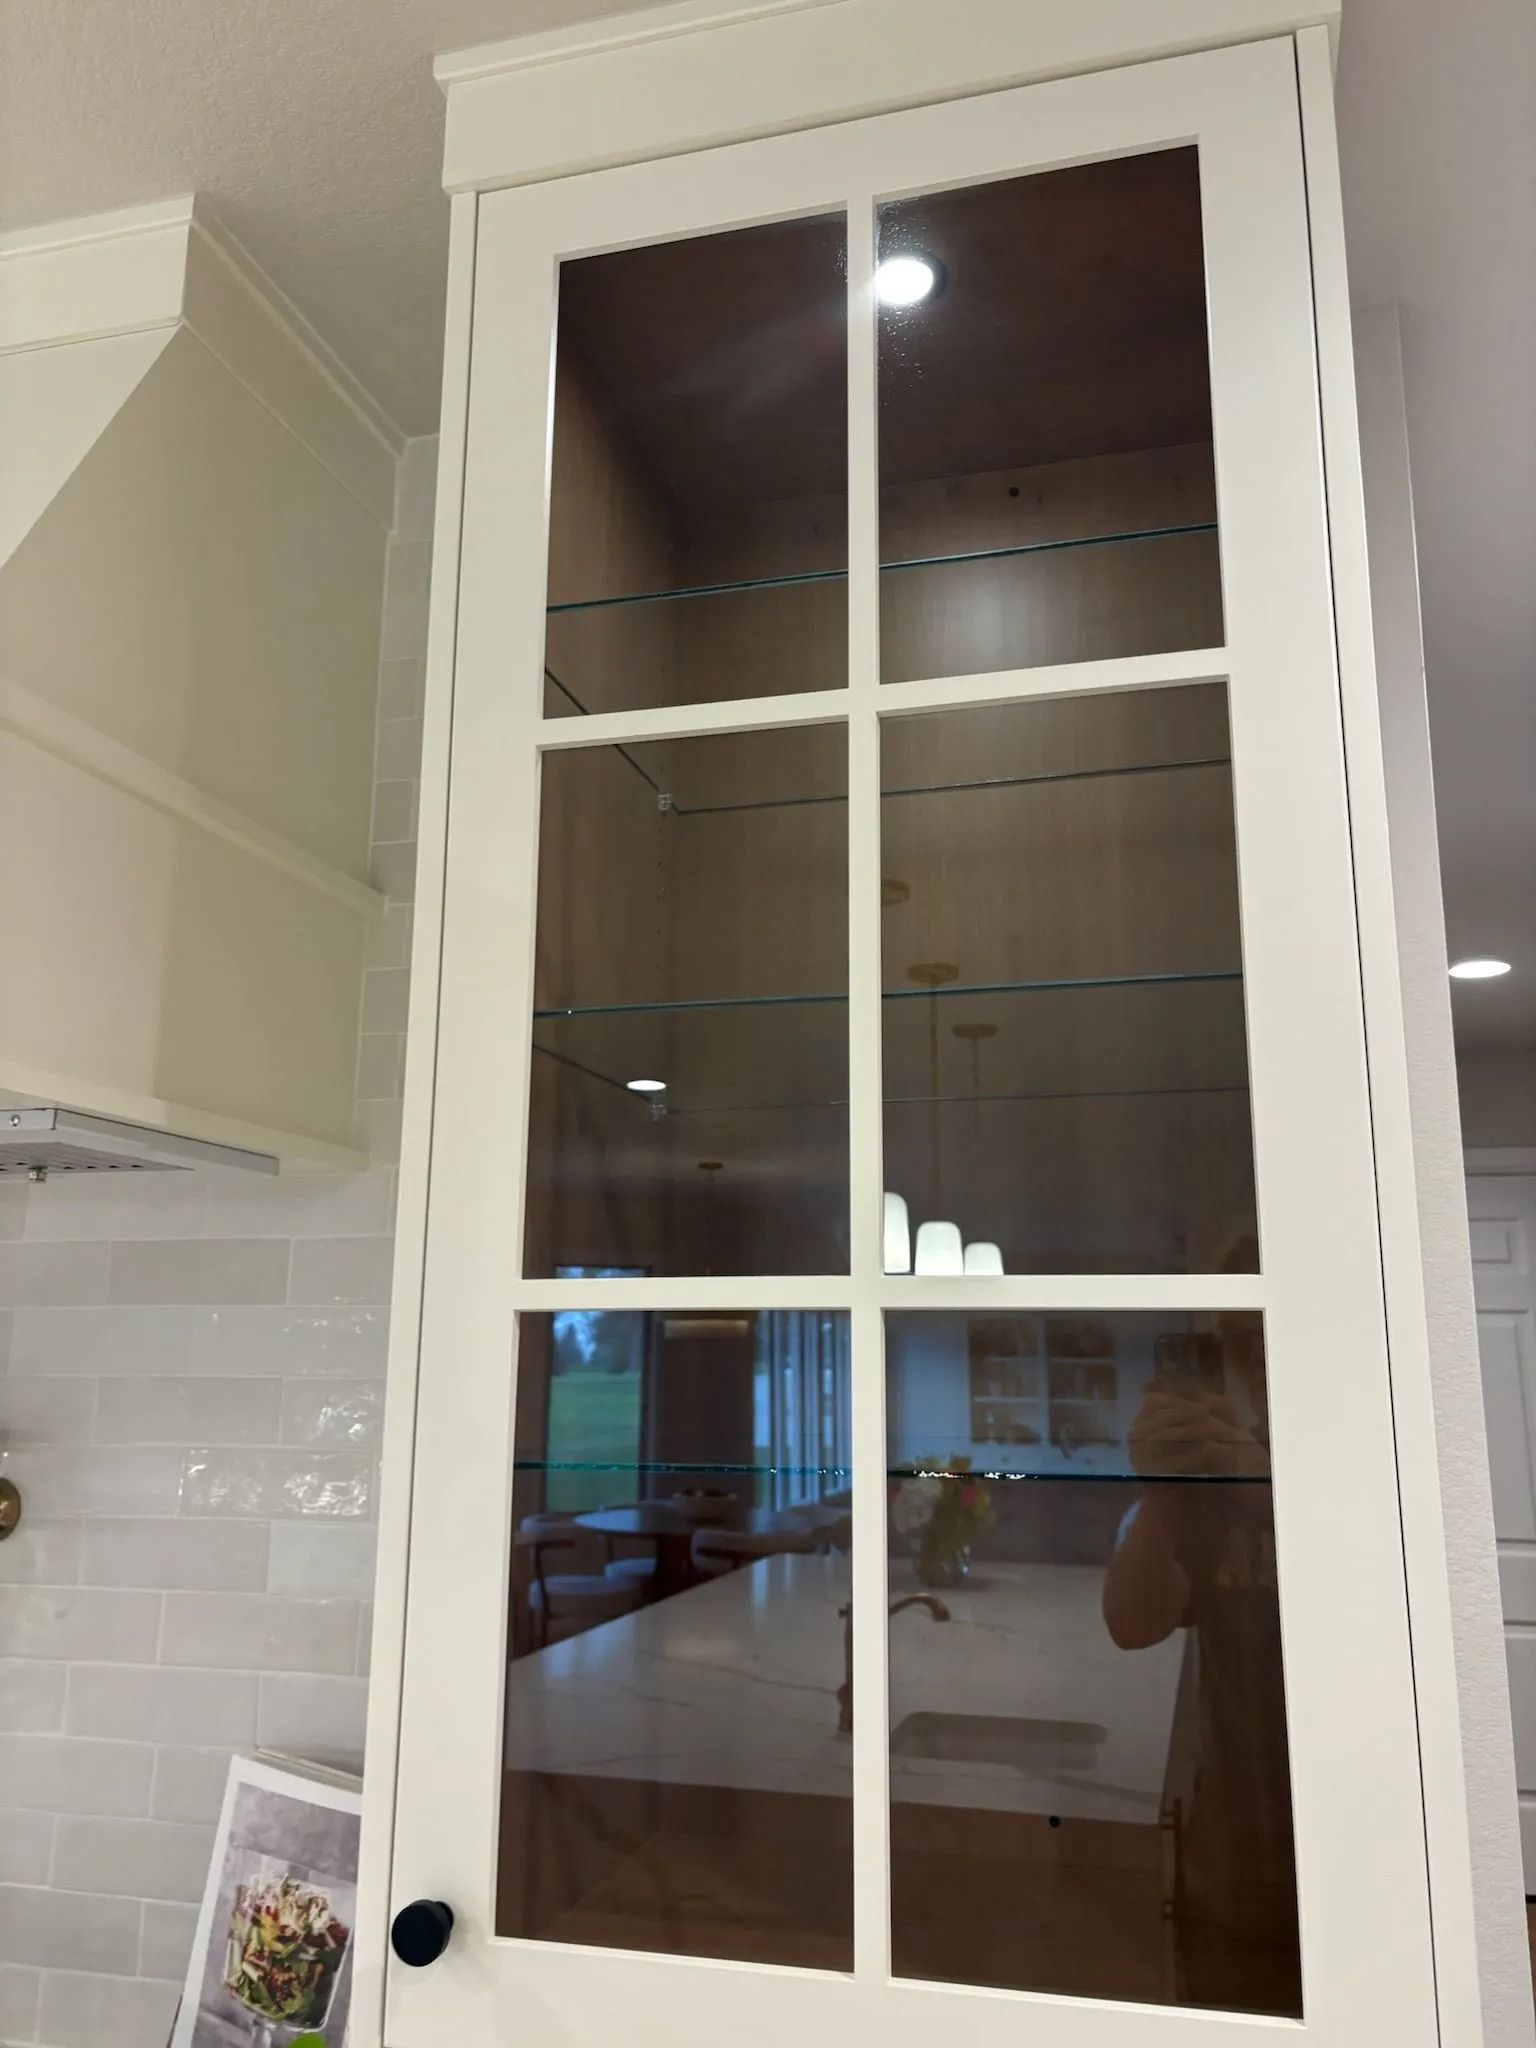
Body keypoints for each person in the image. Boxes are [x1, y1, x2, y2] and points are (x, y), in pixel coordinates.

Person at [1102, 1303, 1301, 2016]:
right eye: (1234, 1344)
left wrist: (1274, 1495)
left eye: (1263, 1338)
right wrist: (1162, 1494)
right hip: (1234, 1856)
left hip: (1360, 1840)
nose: (1254, 1360)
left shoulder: (1358, 1456)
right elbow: (1132, 1622)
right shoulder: (1211, 1474)